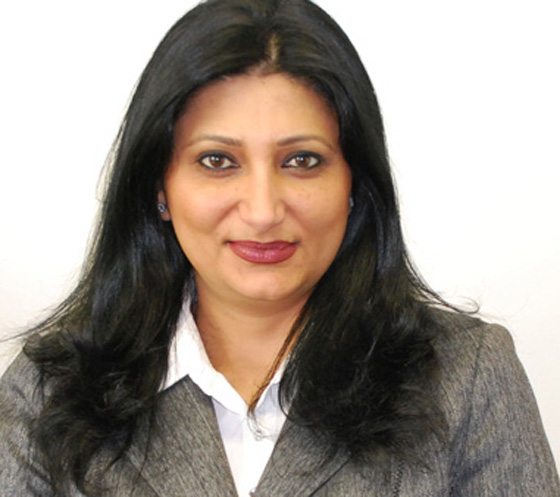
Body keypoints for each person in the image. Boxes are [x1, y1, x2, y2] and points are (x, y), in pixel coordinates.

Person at [0, 0, 558, 495]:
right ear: (159, 187)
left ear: (354, 185)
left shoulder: (466, 378)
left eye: (302, 161)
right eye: (218, 161)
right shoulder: (49, 391)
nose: (263, 210)